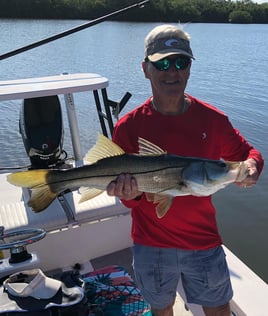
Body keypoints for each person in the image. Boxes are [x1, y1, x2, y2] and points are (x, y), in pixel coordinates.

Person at [106, 24, 264, 316]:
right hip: (150, 245)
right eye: (162, 63)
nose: (172, 71)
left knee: (219, 310)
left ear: (189, 68)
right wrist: (130, 195)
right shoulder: (128, 127)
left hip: (203, 242)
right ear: (145, 69)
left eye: (181, 62)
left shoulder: (213, 120)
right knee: (162, 310)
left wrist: (253, 166)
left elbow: (247, 155)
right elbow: (131, 199)